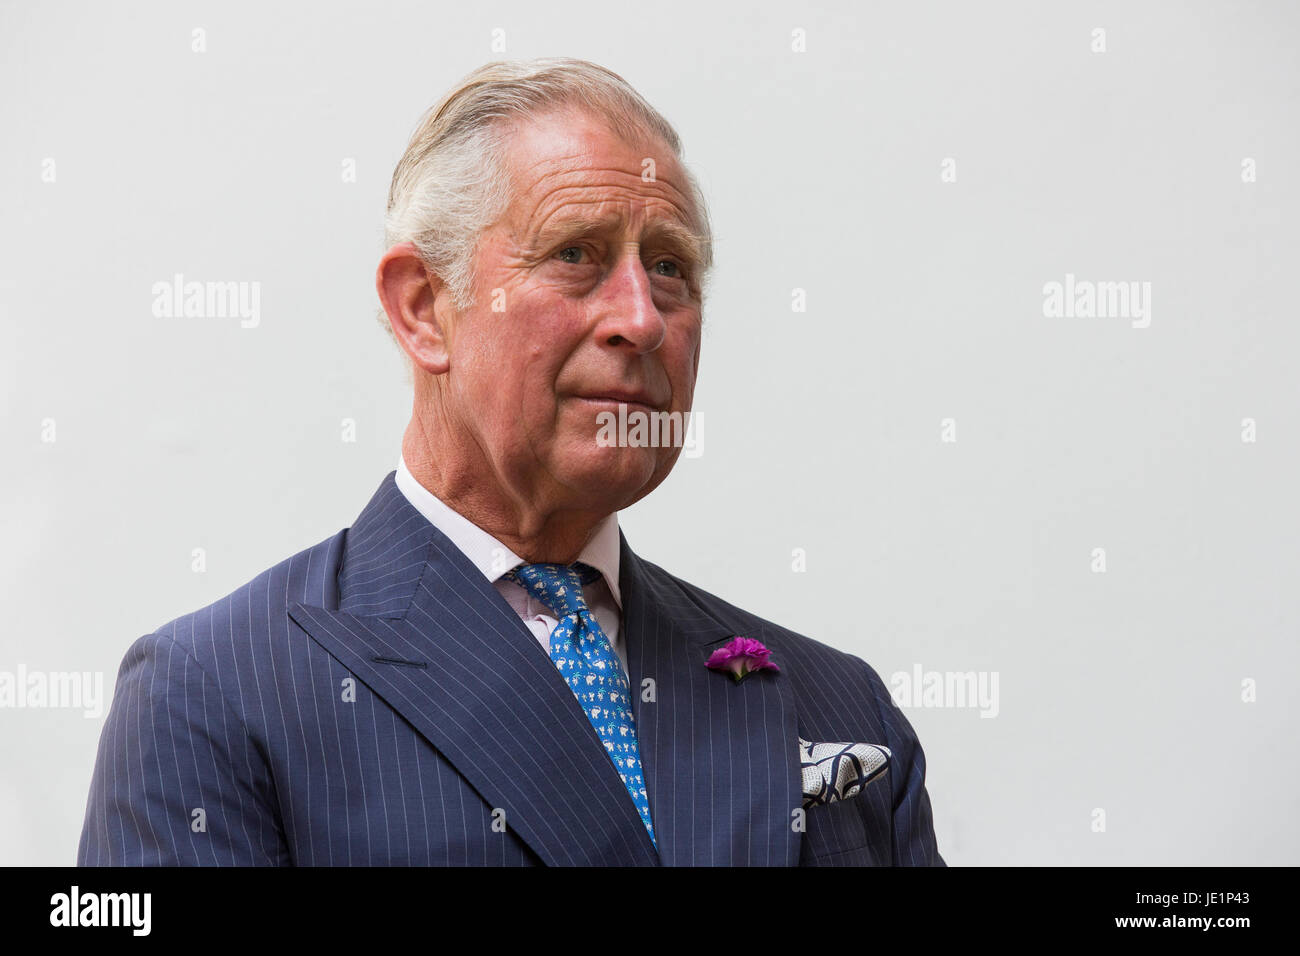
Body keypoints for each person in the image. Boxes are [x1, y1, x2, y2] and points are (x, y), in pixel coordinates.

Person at [77, 57, 944, 866]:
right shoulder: (217, 694)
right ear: (423, 308)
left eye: (671, 267)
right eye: (576, 254)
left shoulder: (836, 702)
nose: (642, 320)